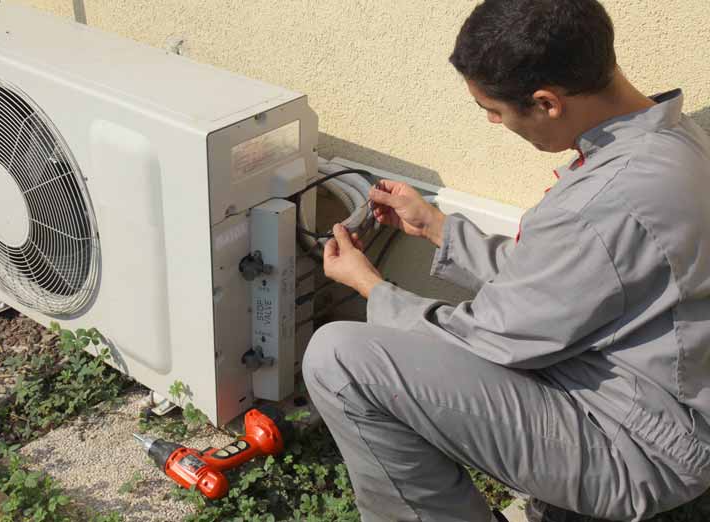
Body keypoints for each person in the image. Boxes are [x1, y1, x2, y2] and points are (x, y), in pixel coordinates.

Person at [302, 1, 710, 521]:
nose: (495, 122)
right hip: (662, 408)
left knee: (340, 359)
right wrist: (436, 227)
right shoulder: (670, 140)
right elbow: (562, 279)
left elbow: (491, 339)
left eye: (493, 110)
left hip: (640, 448)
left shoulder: (600, 201)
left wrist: (372, 288)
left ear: (546, 102)